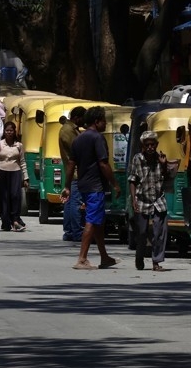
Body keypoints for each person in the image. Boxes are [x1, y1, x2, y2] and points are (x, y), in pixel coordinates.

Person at [62, 106, 120, 270]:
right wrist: (115, 184)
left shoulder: (78, 139)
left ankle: (104, 257)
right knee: (92, 220)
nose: (106, 124)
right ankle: (82, 259)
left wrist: (67, 186)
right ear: (97, 121)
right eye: (104, 121)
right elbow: (103, 163)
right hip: (95, 186)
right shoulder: (97, 138)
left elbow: (71, 164)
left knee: (98, 222)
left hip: (83, 185)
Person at [128, 130, 169, 271]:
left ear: (156, 145)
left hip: (158, 200)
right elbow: (132, 180)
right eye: (147, 145)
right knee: (142, 232)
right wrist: (133, 199)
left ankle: (156, 261)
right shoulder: (137, 159)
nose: (150, 147)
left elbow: (168, 180)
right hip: (142, 200)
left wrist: (164, 165)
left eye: (153, 145)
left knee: (159, 232)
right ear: (143, 146)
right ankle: (139, 257)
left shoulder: (161, 158)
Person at [0, 121, 29, 232]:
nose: (9, 133)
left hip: (16, 173)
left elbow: (22, 162)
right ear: (4, 132)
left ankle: (15, 220)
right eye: (7, 131)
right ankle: (5, 221)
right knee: (3, 198)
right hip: (1, 173)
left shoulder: (19, 145)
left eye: (11, 131)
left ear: (14, 131)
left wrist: (25, 177)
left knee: (15, 196)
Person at [59, 106, 86, 243]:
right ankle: (76, 232)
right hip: (75, 172)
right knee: (75, 203)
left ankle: (69, 231)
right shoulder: (68, 130)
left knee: (70, 203)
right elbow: (76, 150)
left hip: (73, 172)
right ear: (77, 117)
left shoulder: (72, 129)